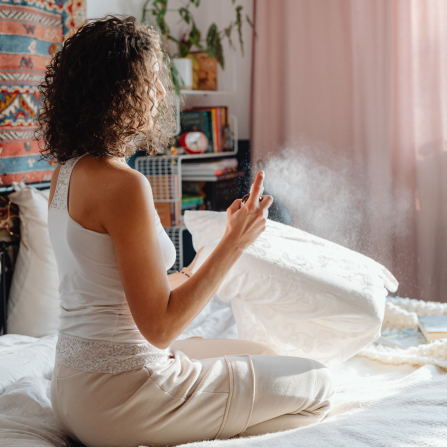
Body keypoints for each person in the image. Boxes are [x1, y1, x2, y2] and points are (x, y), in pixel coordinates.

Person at [39, 15, 334, 447]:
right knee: (318, 385)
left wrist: (209, 254)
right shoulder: (125, 186)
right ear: (117, 92)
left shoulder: (66, 173)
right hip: (121, 398)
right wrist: (234, 244)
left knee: (266, 356)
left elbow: (126, 289)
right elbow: (160, 328)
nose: (159, 92)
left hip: (73, 391)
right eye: (150, 79)